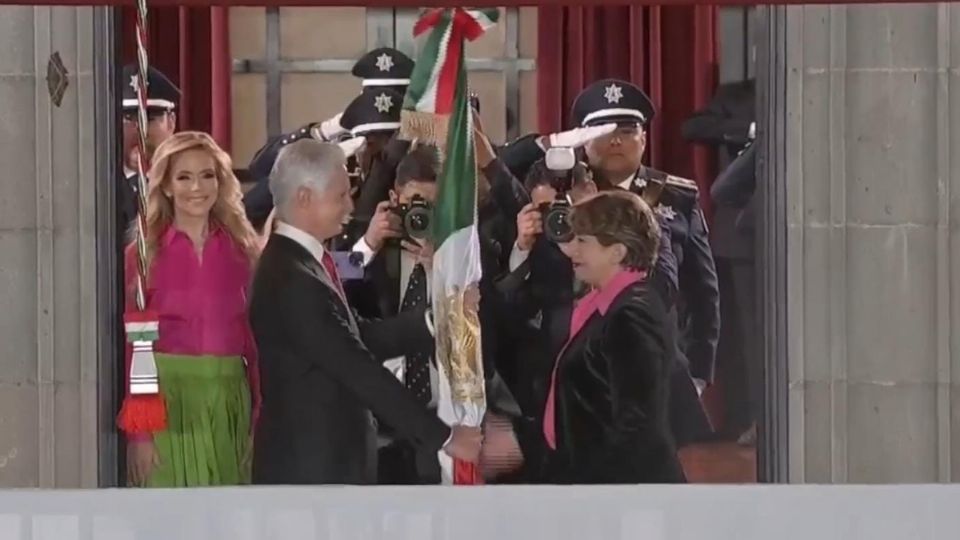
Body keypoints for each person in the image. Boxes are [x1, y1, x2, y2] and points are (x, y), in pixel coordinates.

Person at [248, 139, 481, 485]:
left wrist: (441, 318)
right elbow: (357, 367)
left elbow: (357, 335)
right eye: (341, 196)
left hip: (327, 463)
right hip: (312, 470)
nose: (351, 205)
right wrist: (446, 438)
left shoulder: (300, 262)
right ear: (304, 198)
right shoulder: (290, 276)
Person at [572, 78, 720, 447]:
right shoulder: (558, 193)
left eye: (627, 130)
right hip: (576, 366)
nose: (617, 141)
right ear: (582, 140)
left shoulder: (676, 196)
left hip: (657, 365)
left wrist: (699, 373)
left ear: (644, 138)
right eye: (604, 131)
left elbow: (702, 291)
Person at [117, 131, 262, 487]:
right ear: (165, 185)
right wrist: (140, 435)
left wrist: (257, 420)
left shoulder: (244, 252)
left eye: (207, 175)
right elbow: (135, 348)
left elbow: (256, 344)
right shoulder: (143, 255)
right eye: (184, 177)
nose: (197, 187)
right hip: (166, 404)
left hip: (230, 403)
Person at [540, 191, 684, 484]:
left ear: (617, 252)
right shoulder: (608, 304)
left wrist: (603, 502)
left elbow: (639, 425)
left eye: (583, 242)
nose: (572, 251)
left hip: (619, 495)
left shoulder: (632, 314)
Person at [119, 64, 181, 228]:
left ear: (171, 122)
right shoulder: (95, 186)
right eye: (128, 117)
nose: (140, 128)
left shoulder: (192, 185)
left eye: (151, 118)